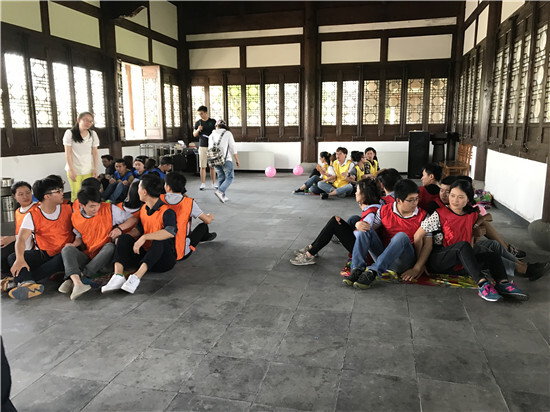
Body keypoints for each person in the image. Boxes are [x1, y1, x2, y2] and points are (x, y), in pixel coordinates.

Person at [418, 179, 528, 302]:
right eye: (452, 195)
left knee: (493, 256)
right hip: (439, 261)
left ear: (468, 199)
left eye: (460, 197)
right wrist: (419, 265)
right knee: (462, 246)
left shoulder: (471, 215)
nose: (455, 200)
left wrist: (476, 226)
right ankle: (482, 284)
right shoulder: (439, 214)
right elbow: (418, 236)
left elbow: (482, 223)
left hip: (458, 263)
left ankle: (503, 283)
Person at [345, 179, 432, 289]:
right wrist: (358, 224)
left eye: (417, 199)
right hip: (383, 256)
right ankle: (357, 269)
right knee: (365, 229)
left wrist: (417, 268)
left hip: (404, 261)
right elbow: (369, 229)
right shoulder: (384, 210)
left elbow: (428, 245)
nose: (415, 203)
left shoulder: (424, 216)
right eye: (410, 200)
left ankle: (373, 272)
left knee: (401, 236)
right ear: (399, 200)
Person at [101, 174, 178, 294]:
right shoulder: (144, 209)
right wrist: (124, 239)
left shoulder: (167, 212)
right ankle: (118, 276)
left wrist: (144, 237)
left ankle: (136, 277)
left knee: (160, 240)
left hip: (163, 260)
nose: (137, 191)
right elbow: (139, 229)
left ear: (144, 192)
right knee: (123, 238)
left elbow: (170, 232)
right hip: (145, 255)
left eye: (139, 188)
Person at [59, 186, 137, 300]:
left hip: (106, 259)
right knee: (67, 249)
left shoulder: (109, 209)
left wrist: (119, 229)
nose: (96, 209)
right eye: (92, 206)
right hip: (90, 256)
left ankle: (76, 278)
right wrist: (74, 244)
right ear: (82, 205)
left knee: (110, 247)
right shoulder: (75, 217)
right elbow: (79, 237)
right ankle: (78, 282)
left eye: (98, 205)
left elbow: (133, 219)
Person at [8, 178, 74, 300]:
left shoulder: (69, 208)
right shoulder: (32, 215)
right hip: (45, 253)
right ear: (47, 196)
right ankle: (27, 283)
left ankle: (18, 281)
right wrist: (20, 259)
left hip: (66, 253)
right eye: (58, 191)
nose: (62, 193)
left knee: (59, 260)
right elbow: (21, 239)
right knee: (13, 257)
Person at [291, 179, 381, 266]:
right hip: (364, 247)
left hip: (363, 253)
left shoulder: (370, 214)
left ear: (364, 194)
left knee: (334, 223)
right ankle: (311, 248)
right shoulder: (375, 207)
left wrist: (348, 231)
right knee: (345, 220)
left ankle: (309, 255)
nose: (355, 193)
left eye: (357, 191)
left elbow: (363, 236)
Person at [162, 172, 217, 260]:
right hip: (181, 252)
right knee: (203, 226)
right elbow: (207, 220)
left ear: (168, 187)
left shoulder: (159, 200)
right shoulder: (189, 203)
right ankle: (206, 236)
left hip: (160, 250)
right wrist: (210, 216)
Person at [1, 182, 37, 278]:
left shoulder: (37, 208)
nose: (25, 196)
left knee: (5, 255)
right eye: (21, 194)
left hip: (32, 246)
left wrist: (13, 238)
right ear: (14, 196)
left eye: (28, 193)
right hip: (20, 242)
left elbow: (35, 231)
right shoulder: (18, 211)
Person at [63, 111, 99, 202]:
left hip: (88, 169)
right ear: (79, 120)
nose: (88, 123)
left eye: (90, 121)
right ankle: (75, 210)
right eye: (86, 120)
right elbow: (68, 153)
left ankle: (86, 210)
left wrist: (95, 168)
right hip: (74, 169)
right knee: (76, 194)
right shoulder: (69, 133)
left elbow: (95, 153)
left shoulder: (93, 134)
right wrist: (71, 170)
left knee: (88, 194)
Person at [209, 119, 240, 203]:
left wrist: (210, 161)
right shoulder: (228, 133)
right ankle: (220, 191)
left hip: (215, 159)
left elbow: (209, 148)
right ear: (225, 126)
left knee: (221, 177)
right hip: (226, 159)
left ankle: (222, 196)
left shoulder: (211, 135)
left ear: (216, 126)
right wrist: (237, 160)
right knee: (230, 177)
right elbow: (232, 147)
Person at [193, 105, 217, 190]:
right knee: (202, 166)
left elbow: (217, 132)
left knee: (212, 166)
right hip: (202, 146)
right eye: (199, 114)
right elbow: (194, 134)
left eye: (202, 113)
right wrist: (198, 130)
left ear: (206, 113)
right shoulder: (198, 123)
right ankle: (203, 183)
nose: (201, 115)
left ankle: (213, 183)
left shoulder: (213, 122)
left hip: (211, 146)